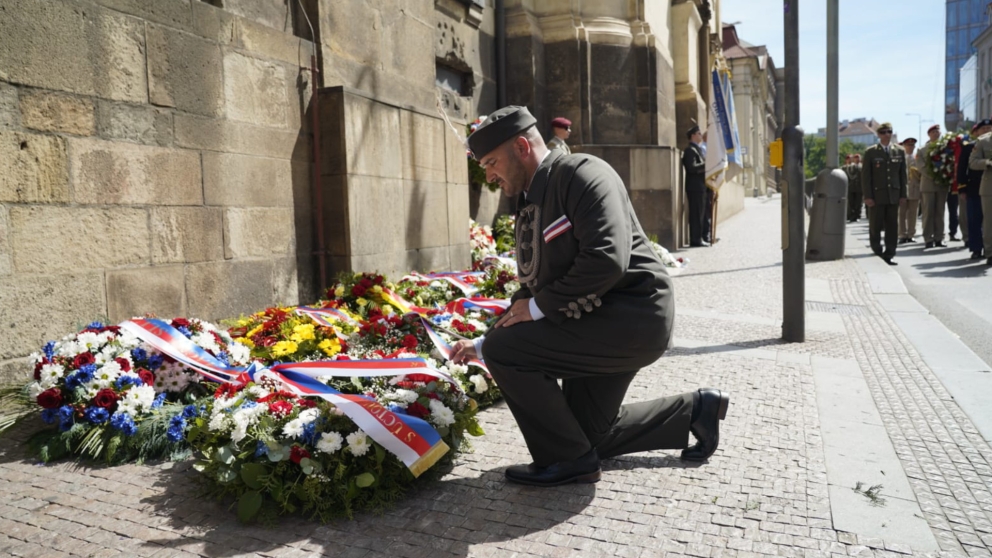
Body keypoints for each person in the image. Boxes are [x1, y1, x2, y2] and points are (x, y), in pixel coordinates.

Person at [449, 106, 730, 487]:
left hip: (631, 318)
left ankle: (567, 462)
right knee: (586, 434)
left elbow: (606, 258)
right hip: (592, 320)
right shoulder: (532, 200)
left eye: (492, 162)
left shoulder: (582, 174)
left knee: (507, 353)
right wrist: (482, 341)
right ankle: (696, 410)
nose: (489, 174)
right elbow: (535, 283)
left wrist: (511, 331)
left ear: (520, 146)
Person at [862, 122, 908, 265]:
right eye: (883, 132)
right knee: (875, 225)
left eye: (889, 132)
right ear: (878, 135)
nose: (886, 135)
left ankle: (890, 253)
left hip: (893, 195)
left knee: (892, 226)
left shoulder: (899, 151)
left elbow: (902, 175)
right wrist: (868, 196)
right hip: (877, 195)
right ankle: (877, 250)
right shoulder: (871, 152)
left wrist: (902, 195)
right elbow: (866, 176)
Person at [957, 120, 989, 259]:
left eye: (989, 127)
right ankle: (976, 248)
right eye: (984, 128)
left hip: (989, 187)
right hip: (974, 188)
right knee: (974, 220)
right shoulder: (969, 147)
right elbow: (962, 169)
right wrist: (962, 188)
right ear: (977, 132)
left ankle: (988, 248)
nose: (987, 130)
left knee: (989, 221)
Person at [918, 124, 948, 248]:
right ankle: (928, 238)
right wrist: (934, 176)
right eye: (933, 132)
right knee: (928, 212)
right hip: (928, 185)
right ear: (929, 134)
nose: (936, 133)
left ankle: (939, 238)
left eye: (937, 131)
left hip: (942, 185)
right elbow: (921, 167)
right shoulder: (922, 150)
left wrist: (944, 176)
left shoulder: (945, 148)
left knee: (940, 212)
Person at [967, 121, 992, 265]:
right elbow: (972, 162)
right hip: (989, 187)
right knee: (989, 222)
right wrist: (988, 162)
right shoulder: (983, 141)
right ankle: (989, 252)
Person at [681, 125, 709, 247]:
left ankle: (700, 237)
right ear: (692, 136)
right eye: (698, 133)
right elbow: (691, 168)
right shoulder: (690, 150)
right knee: (696, 214)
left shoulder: (696, 149)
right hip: (694, 187)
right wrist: (706, 165)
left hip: (700, 187)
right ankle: (696, 239)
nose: (700, 135)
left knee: (701, 214)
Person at [899, 138, 921, 243]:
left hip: (914, 189)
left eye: (912, 145)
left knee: (913, 213)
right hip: (902, 189)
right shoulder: (900, 158)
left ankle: (911, 234)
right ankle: (902, 234)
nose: (910, 147)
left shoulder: (917, 159)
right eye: (908, 145)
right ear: (904, 146)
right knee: (901, 213)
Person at [844, 154, 863, 222]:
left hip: (859, 187)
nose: (857, 159)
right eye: (855, 158)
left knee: (858, 203)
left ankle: (857, 215)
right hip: (850, 187)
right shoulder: (849, 167)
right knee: (851, 203)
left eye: (858, 158)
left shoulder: (861, 167)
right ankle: (852, 216)